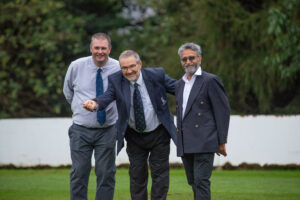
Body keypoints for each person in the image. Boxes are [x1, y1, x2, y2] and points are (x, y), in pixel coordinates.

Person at [83, 50, 177, 200]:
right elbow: (107, 96)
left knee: (160, 175)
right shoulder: (116, 80)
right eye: (124, 68)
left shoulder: (156, 75)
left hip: (159, 133)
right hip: (134, 136)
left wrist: (197, 88)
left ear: (140, 64)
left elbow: (178, 88)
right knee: (137, 176)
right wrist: (95, 103)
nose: (129, 71)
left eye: (132, 66)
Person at [63, 33, 120, 200]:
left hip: (108, 129)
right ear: (91, 48)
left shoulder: (118, 68)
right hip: (80, 130)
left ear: (109, 49)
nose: (100, 52)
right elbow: (68, 92)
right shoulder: (76, 66)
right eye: (96, 48)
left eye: (103, 48)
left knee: (106, 174)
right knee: (79, 172)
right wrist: (80, 110)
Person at [175, 42, 230, 200]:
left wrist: (221, 141)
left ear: (200, 59)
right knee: (193, 182)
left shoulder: (210, 80)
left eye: (191, 57)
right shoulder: (179, 84)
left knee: (201, 182)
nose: (188, 62)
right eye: (184, 59)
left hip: (205, 141)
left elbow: (222, 112)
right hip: (186, 142)